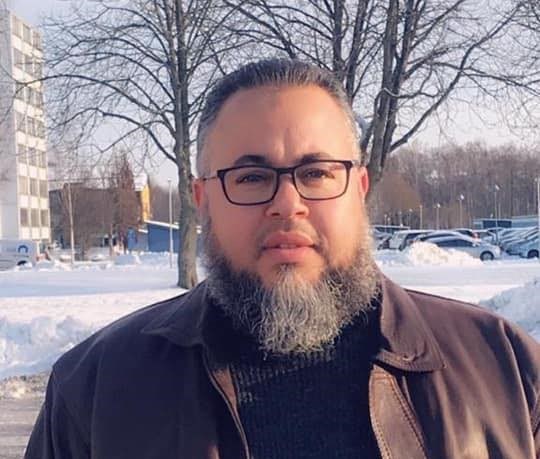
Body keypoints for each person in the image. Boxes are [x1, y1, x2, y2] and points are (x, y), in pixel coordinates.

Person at [26, 59, 539, 459]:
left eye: (316, 173)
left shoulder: (506, 369)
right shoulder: (94, 389)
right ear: (203, 200)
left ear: (359, 188)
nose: (288, 203)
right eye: (251, 177)